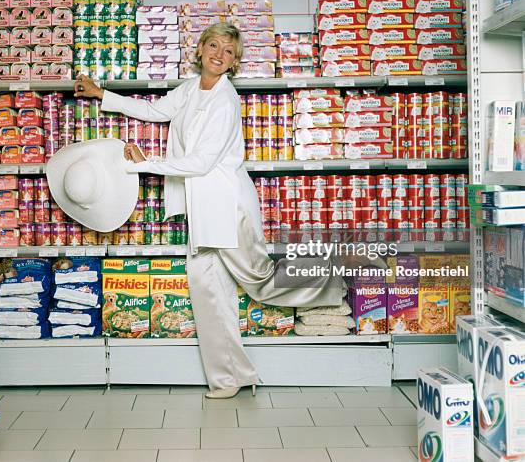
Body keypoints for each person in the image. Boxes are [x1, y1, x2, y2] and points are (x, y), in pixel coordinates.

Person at [74, 22, 341, 399]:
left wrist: (145, 163)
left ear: (234, 62)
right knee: (208, 293)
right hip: (202, 211)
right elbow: (153, 110)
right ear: (199, 49)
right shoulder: (190, 90)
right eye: (213, 45)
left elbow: (199, 162)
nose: (219, 54)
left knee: (260, 281)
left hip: (230, 208)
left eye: (228, 51)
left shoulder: (225, 101)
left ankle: (332, 283)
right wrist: (103, 94)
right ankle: (230, 378)